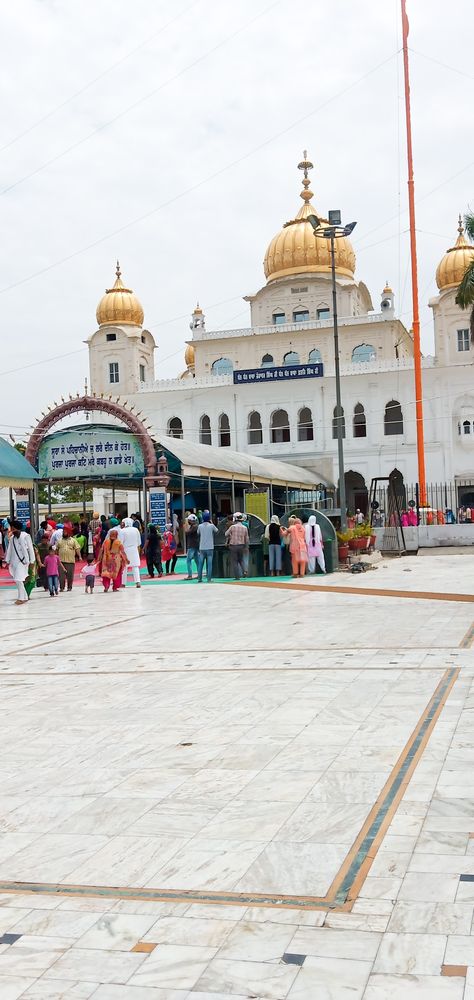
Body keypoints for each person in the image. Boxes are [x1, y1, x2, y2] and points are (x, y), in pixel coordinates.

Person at [5, 519, 35, 605]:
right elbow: (9, 550)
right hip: (14, 562)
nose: (13, 531)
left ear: (18, 529)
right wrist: (7, 561)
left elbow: (30, 549)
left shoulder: (25, 536)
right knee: (19, 580)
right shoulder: (12, 539)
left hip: (23, 562)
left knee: (18, 579)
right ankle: (25, 597)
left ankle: (21, 598)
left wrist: (32, 561)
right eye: (12, 529)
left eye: (14, 529)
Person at [225, 513, 249, 580]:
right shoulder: (245, 528)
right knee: (241, 560)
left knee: (235, 561)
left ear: (235, 520)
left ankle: (237, 576)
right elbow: (246, 539)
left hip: (233, 546)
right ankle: (244, 570)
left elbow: (226, 534)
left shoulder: (233, 527)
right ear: (241, 520)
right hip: (241, 545)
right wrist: (246, 547)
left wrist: (230, 536)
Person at [57, 526, 81, 591]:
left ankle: (69, 587)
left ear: (68, 533)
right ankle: (62, 587)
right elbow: (56, 550)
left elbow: (77, 548)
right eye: (63, 532)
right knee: (61, 576)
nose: (64, 533)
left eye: (65, 532)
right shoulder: (59, 541)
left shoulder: (73, 541)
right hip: (61, 561)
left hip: (70, 561)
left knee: (70, 576)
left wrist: (80, 556)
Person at [120, 517, 142, 587]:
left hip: (125, 550)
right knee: (135, 566)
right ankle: (138, 582)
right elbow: (139, 542)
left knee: (124, 567)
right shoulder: (136, 530)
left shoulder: (122, 531)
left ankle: (123, 583)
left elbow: (120, 542)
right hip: (134, 550)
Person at [197, 510, 218, 582]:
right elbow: (217, 530)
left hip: (202, 547)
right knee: (209, 563)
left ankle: (199, 578)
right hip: (210, 547)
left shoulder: (200, 526)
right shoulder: (211, 526)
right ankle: (209, 579)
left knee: (200, 563)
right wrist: (211, 522)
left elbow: (198, 533)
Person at [184, 513, 200, 579]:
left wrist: (185, 526)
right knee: (197, 560)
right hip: (196, 545)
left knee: (188, 560)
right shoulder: (196, 526)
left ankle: (190, 575)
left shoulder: (194, 527)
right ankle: (199, 574)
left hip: (192, 545)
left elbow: (187, 532)